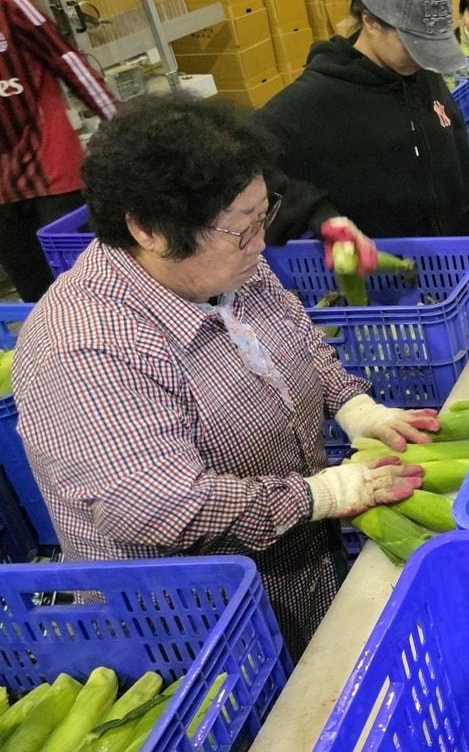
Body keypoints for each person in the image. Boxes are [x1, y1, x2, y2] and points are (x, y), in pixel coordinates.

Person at [11, 94, 431, 659]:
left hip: (295, 568)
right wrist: (320, 494)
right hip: (193, 624)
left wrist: (357, 408)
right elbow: (160, 503)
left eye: (265, 217)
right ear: (150, 230)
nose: (260, 244)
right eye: (241, 229)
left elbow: (297, 338)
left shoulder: (226, 268)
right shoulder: (84, 343)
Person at [257, 0, 469, 248]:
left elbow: (448, 170)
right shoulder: (314, 99)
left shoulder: (423, 76)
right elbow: (245, 171)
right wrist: (317, 215)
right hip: (383, 285)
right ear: (370, 21)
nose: (422, 57)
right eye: (413, 45)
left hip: (452, 273)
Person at [0, 0, 117, 301]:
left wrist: (123, 126)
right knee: (34, 291)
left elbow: (68, 61)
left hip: (49, 165)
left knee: (84, 276)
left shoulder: (8, 4)